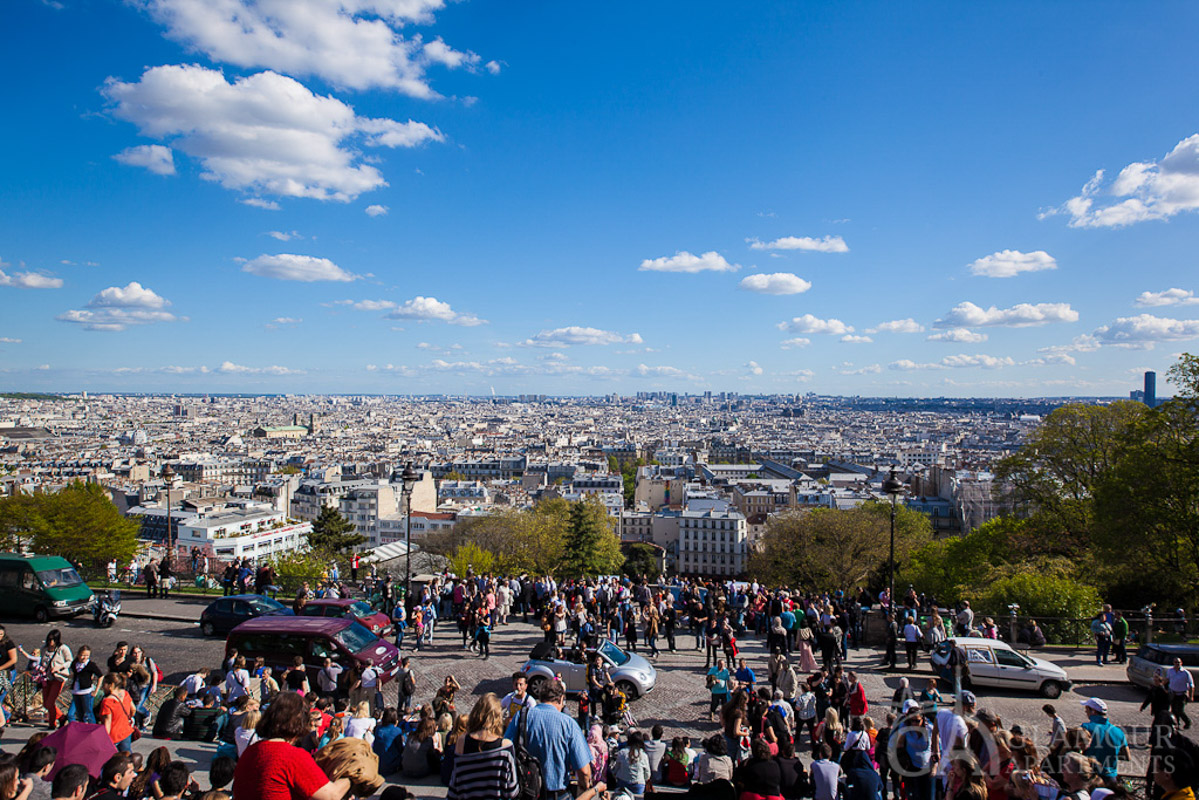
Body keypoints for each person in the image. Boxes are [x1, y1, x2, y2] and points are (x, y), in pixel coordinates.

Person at [232, 692, 352, 800]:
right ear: (300, 722)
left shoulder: (251, 751)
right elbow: (331, 796)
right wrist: (350, 776)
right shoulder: (292, 756)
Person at [502, 679, 593, 800]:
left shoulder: (521, 716)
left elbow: (505, 749)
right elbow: (584, 771)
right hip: (556, 793)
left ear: (540, 697)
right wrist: (585, 786)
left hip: (526, 792)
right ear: (561, 699)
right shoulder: (568, 724)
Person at [1080, 697, 1129, 781]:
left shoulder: (1085, 728)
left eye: (1086, 709)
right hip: (1110, 778)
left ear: (1093, 711)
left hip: (1090, 777)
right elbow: (1127, 756)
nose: (1085, 712)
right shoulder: (1118, 732)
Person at [98, 673, 137, 752]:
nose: (102, 687)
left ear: (111, 685)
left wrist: (105, 739)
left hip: (114, 735)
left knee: (112, 759)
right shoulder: (125, 693)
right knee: (127, 754)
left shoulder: (107, 701)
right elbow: (133, 709)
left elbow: (107, 722)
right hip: (126, 731)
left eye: (104, 684)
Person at [66, 645, 103, 724]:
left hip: (86, 692)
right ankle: (82, 730)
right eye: (83, 655)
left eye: (87, 656)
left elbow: (100, 676)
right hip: (76, 692)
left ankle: (92, 730)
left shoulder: (91, 665)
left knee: (88, 714)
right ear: (78, 655)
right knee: (79, 714)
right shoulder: (75, 664)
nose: (84, 657)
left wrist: (96, 691)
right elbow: (74, 675)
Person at [42, 631, 71, 730]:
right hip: (46, 678)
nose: (51, 642)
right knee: (46, 703)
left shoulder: (63, 648)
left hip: (58, 678)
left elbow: (69, 661)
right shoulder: (44, 649)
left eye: (53, 640)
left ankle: (52, 722)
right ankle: (60, 717)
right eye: (49, 639)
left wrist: (60, 667)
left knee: (50, 702)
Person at [373, 708, 405, 777]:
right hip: (391, 764)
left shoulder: (378, 729)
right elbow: (400, 749)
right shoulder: (396, 731)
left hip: (377, 763)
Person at [1167, 658, 1194, 730]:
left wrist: (1191, 696)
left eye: (1178, 662)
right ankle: (1176, 724)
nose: (1177, 664)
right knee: (1173, 710)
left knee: (1180, 710)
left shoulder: (1185, 673)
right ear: (1173, 663)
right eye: (1176, 662)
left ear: (1181, 663)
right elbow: (1167, 679)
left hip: (1182, 694)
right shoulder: (1170, 671)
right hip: (1173, 693)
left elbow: (1191, 685)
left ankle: (1187, 721)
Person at [707, 658, 730, 722]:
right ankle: (712, 713)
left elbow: (728, 680)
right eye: (720, 664)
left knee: (724, 704)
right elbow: (708, 677)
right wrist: (714, 680)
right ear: (718, 664)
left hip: (723, 691)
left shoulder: (726, 671)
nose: (721, 666)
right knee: (714, 703)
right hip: (715, 691)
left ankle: (724, 717)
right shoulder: (713, 669)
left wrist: (730, 689)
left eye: (723, 664)